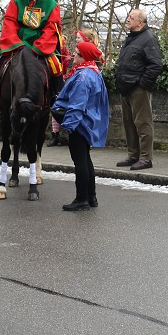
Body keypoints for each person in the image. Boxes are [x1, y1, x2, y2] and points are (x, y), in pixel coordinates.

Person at [0, 0, 64, 107]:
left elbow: (51, 28)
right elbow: (9, 23)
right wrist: (17, 44)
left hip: (40, 42)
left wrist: (38, 47)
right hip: (18, 40)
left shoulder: (51, 4)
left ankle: (56, 96)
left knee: (56, 66)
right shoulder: (16, 1)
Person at [52, 40, 110, 211]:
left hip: (80, 124)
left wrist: (68, 125)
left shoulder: (83, 76)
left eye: (77, 53)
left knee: (80, 161)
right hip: (87, 122)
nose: (74, 55)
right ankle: (91, 197)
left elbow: (77, 104)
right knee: (86, 160)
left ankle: (82, 199)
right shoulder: (93, 72)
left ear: (84, 56)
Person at [114, 9, 163, 170]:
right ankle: (133, 155)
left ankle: (145, 158)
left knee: (143, 124)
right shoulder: (131, 37)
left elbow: (155, 65)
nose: (127, 19)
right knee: (128, 123)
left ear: (140, 22)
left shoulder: (148, 38)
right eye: (128, 16)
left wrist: (143, 84)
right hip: (126, 86)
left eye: (131, 17)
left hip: (138, 88)